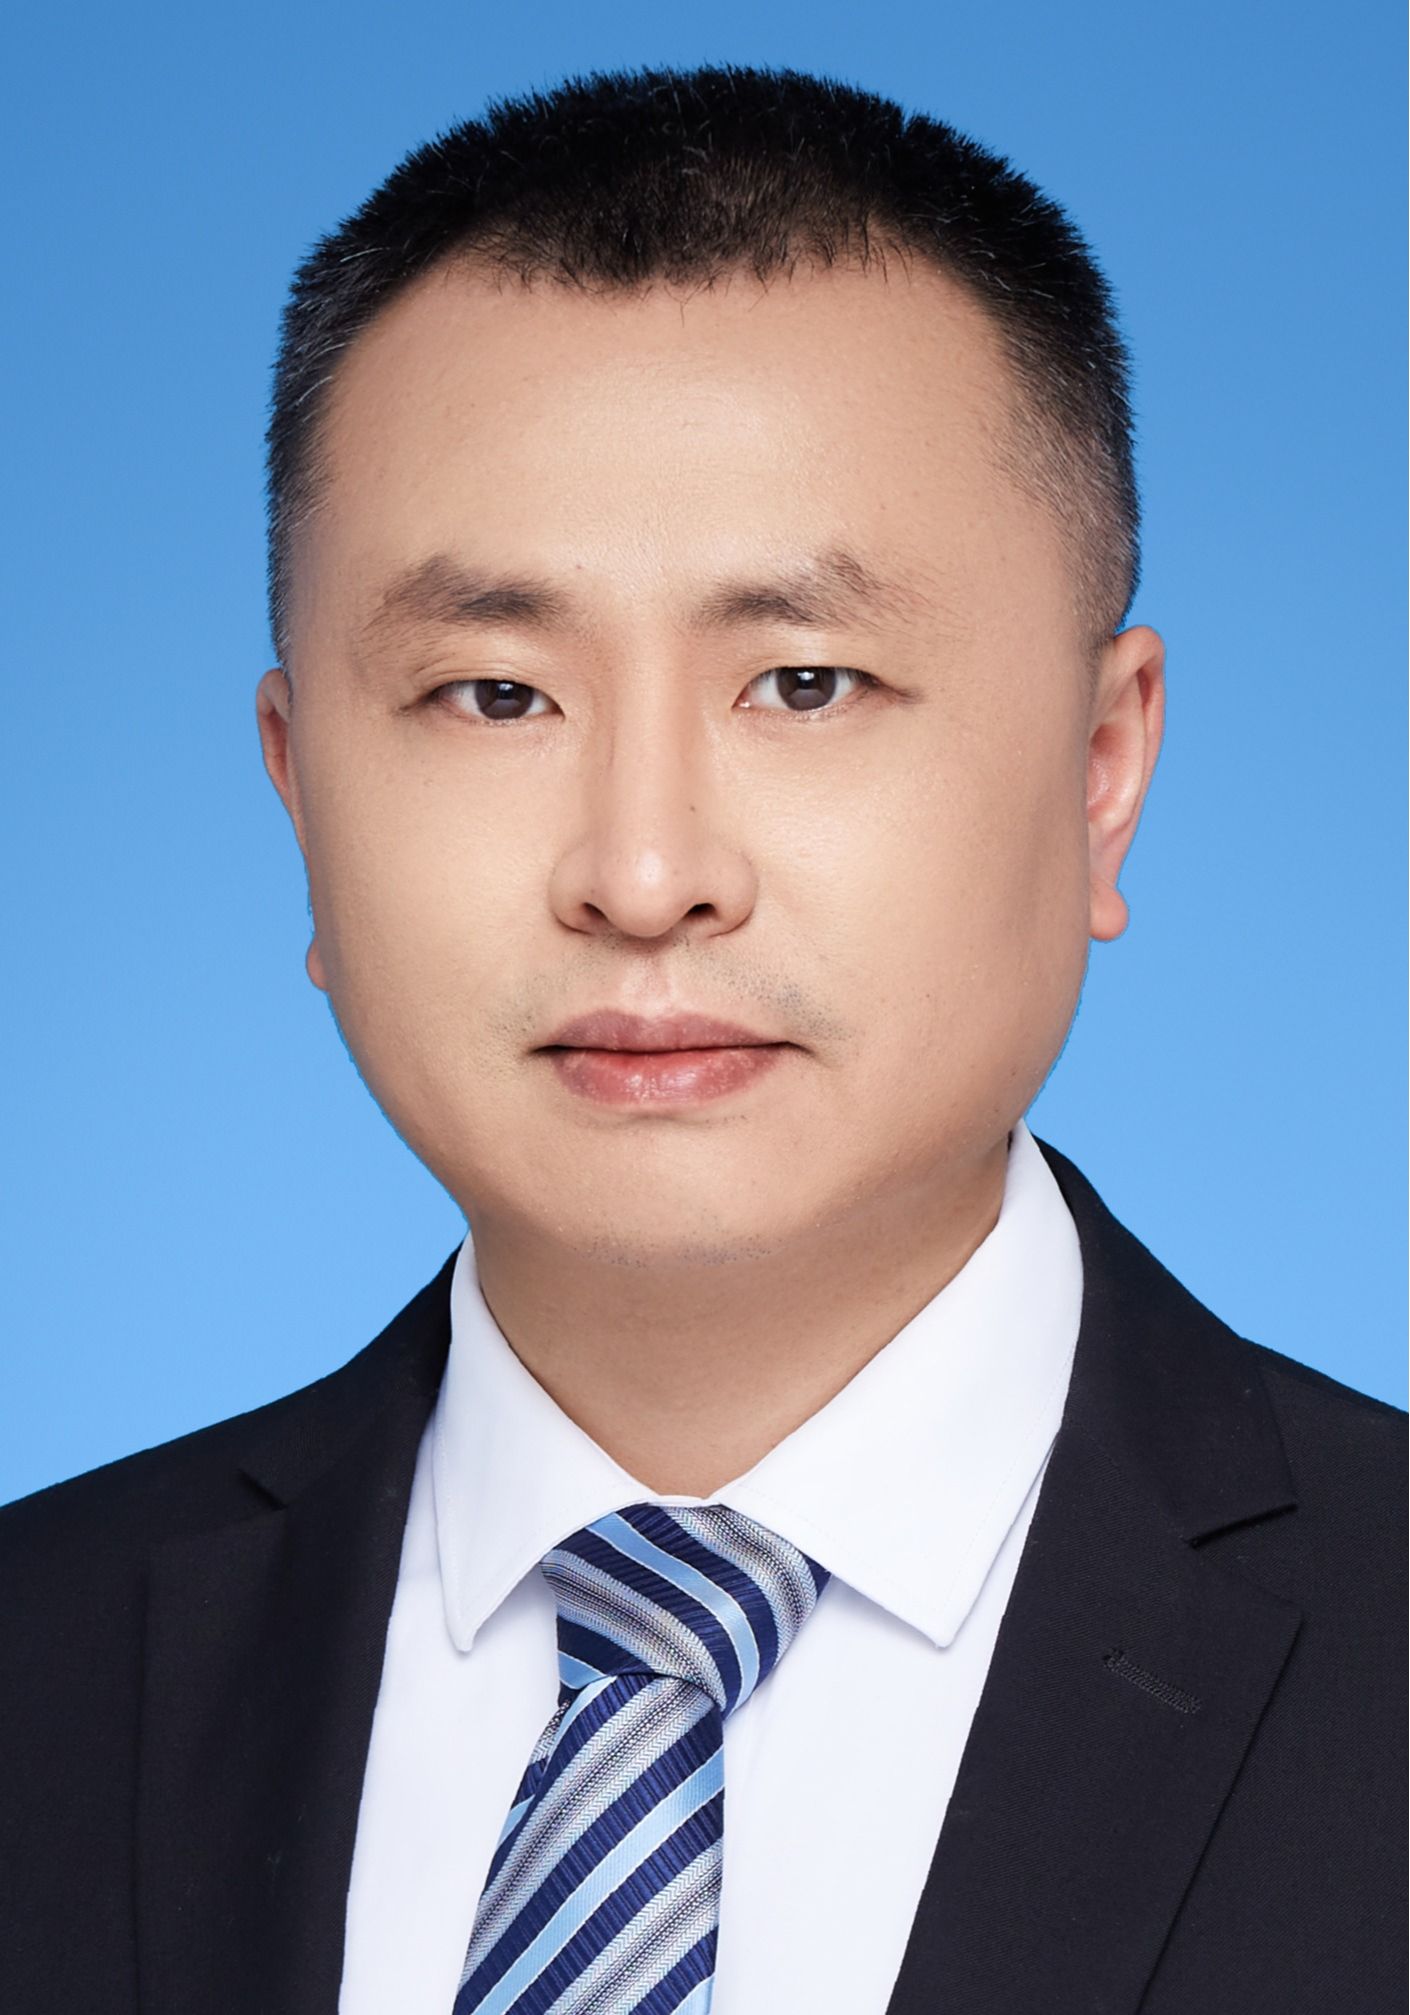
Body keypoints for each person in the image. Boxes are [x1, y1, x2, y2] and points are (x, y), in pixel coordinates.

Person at [1, 61, 1403, 2015]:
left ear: (1103, 770)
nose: (644, 874)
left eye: (804, 682)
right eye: (495, 695)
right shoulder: (41, 1665)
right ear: (298, 786)